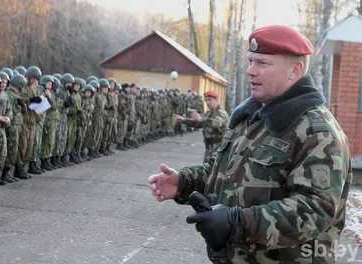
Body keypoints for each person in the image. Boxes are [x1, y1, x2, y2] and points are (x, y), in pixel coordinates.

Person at [148, 24, 352, 263]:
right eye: (250, 61)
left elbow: (315, 210)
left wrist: (237, 223)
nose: (250, 71)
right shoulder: (253, 116)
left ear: (295, 70)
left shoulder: (318, 132)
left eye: (262, 64)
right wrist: (183, 182)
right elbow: (222, 170)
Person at [173, 90, 229, 163]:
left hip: (219, 148)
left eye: (209, 100)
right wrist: (184, 120)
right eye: (206, 100)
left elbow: (215, 123)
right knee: (206, 170)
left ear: (216, 100)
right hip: (210, 147)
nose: (207, 103)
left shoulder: (221, 113)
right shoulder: (209, 112)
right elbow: (199, 124)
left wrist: (201, 119)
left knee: (213, 170)